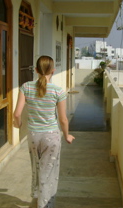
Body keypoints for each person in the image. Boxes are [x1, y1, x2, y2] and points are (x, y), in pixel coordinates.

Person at [13, 55, 75, 208]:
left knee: (37, 167)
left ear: (35, 70)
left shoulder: (26, 87)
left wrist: (18, 124)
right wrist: (67, 135)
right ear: (53, 71)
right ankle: (45, 204)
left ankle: (38, 197)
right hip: (51, 137)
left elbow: (16, 114)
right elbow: (63, 120)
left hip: (33, 136)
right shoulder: (58, 91)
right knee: (49, 172)